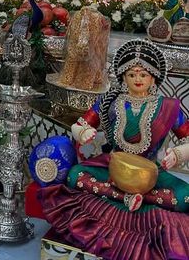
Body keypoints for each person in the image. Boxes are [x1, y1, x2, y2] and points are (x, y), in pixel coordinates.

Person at [39, 39, 189, 260]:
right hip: (112, 166)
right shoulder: (110, 101)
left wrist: (178, 154)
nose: (138, 79)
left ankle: (132, 197)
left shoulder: (168, 107)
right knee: (74, 175)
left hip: (151, 173)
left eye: (143, 74)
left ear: (153, 77)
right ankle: (126, 197)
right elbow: (80, 124)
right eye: (132, 74)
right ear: (123, 77)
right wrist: (83, 133)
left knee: (185, 197)